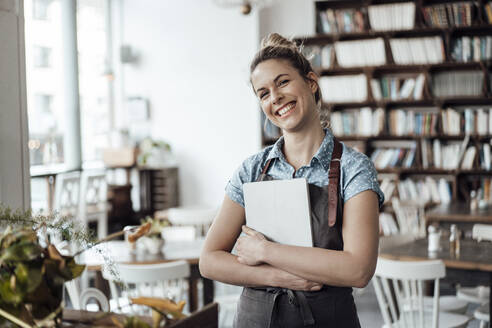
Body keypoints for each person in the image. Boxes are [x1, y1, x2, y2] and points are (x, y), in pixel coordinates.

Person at [199, 33, 384, 327]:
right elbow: (209, 260)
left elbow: (359, 269)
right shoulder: (251, 170)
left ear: (310, 82)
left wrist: (265, 251)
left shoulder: (354, 168)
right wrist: (277, 276)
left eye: (283, 82)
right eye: (263, 93)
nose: (275, 98)